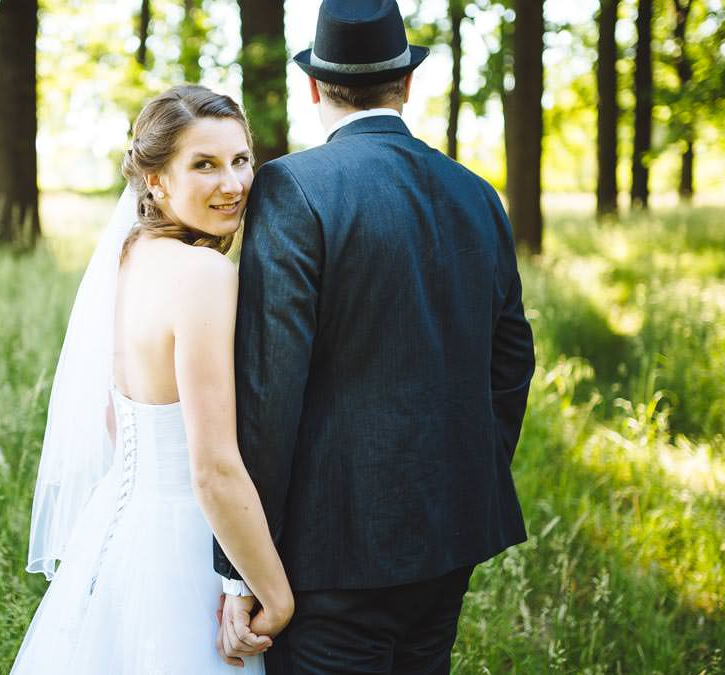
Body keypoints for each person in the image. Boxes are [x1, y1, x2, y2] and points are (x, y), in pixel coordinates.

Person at [213, 1, 536, 673]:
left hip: (331, 552)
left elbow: (271, 389)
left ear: (313, 87)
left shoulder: (290, 188)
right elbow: (511, 361)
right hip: (452, 534)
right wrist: (463, 472)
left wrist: (240, 571)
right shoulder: (478, 194)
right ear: (407, 83)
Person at [10, 85, 290, 674]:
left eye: (240, 160)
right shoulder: (206, 274)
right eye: (205, 165)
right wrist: (277, 596)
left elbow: (117, 417)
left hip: (118, 531)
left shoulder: (129, 255)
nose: (233, 183)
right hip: (184, 551)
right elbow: (213, 468)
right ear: (156, 180)